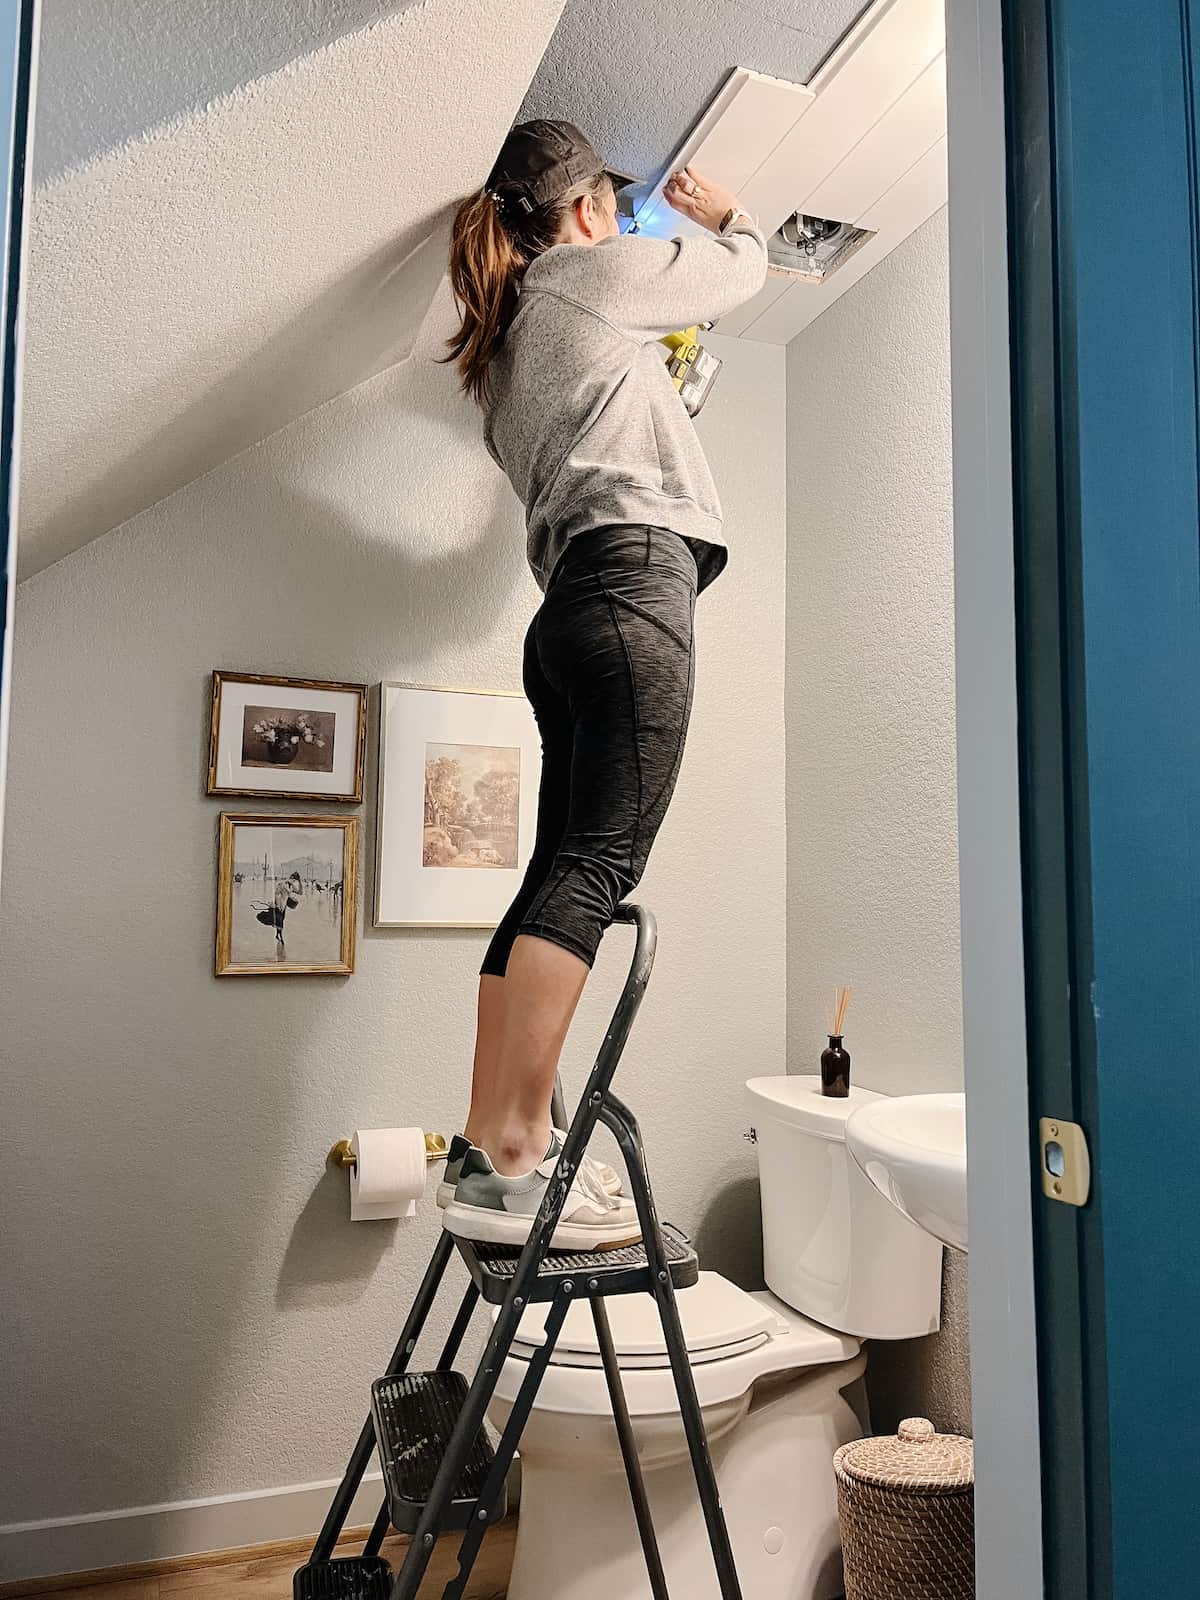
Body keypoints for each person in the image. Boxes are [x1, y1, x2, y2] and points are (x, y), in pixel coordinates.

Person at [437, 119, 766, 1251]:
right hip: (631, 593)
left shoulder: (505, 358)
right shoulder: (583, 280)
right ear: (583, 213)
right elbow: (743, 270)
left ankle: (489, 1146)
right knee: (596, 864)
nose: (625, 225)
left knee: (553, 872)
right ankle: (521, 1149)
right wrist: (725, 216)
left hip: (569, 609)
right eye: (616, 209)